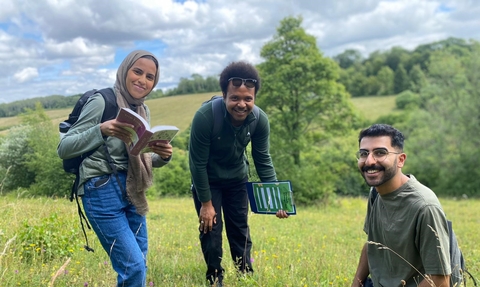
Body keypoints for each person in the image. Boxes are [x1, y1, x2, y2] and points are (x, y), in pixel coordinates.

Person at [57, 50, 173, 287]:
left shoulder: (143, 110)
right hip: (101, 190)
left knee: (139, 261)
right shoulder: (102, 101)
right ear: (125, 70)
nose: (142, 80)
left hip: (133, 189)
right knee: (133, 267)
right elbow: (64, 147)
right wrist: (101, 129)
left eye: (150, 77)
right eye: (137, 71)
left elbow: (138, 156)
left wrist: (162, 156)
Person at [189, 61, 288, 286]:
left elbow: (262, 159)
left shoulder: (259, 120)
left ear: (254, 98)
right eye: (234, 98)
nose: (241, 104)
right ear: (224, 95)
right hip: (208, 181)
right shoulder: (205, 117)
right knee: (210, 230)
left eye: (248, 99)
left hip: (236, 180)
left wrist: (276, 197)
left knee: (240, 229)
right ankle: (215, 277)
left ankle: (245, 275)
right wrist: (206, 203)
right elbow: (197, 163)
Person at [351, 124, 451, 287]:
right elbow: (372, 245)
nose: (369, 161)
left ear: (401, 160)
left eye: (380, 153)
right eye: (364, 153)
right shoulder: (376, 193)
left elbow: (440, 280)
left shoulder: (424, 206)